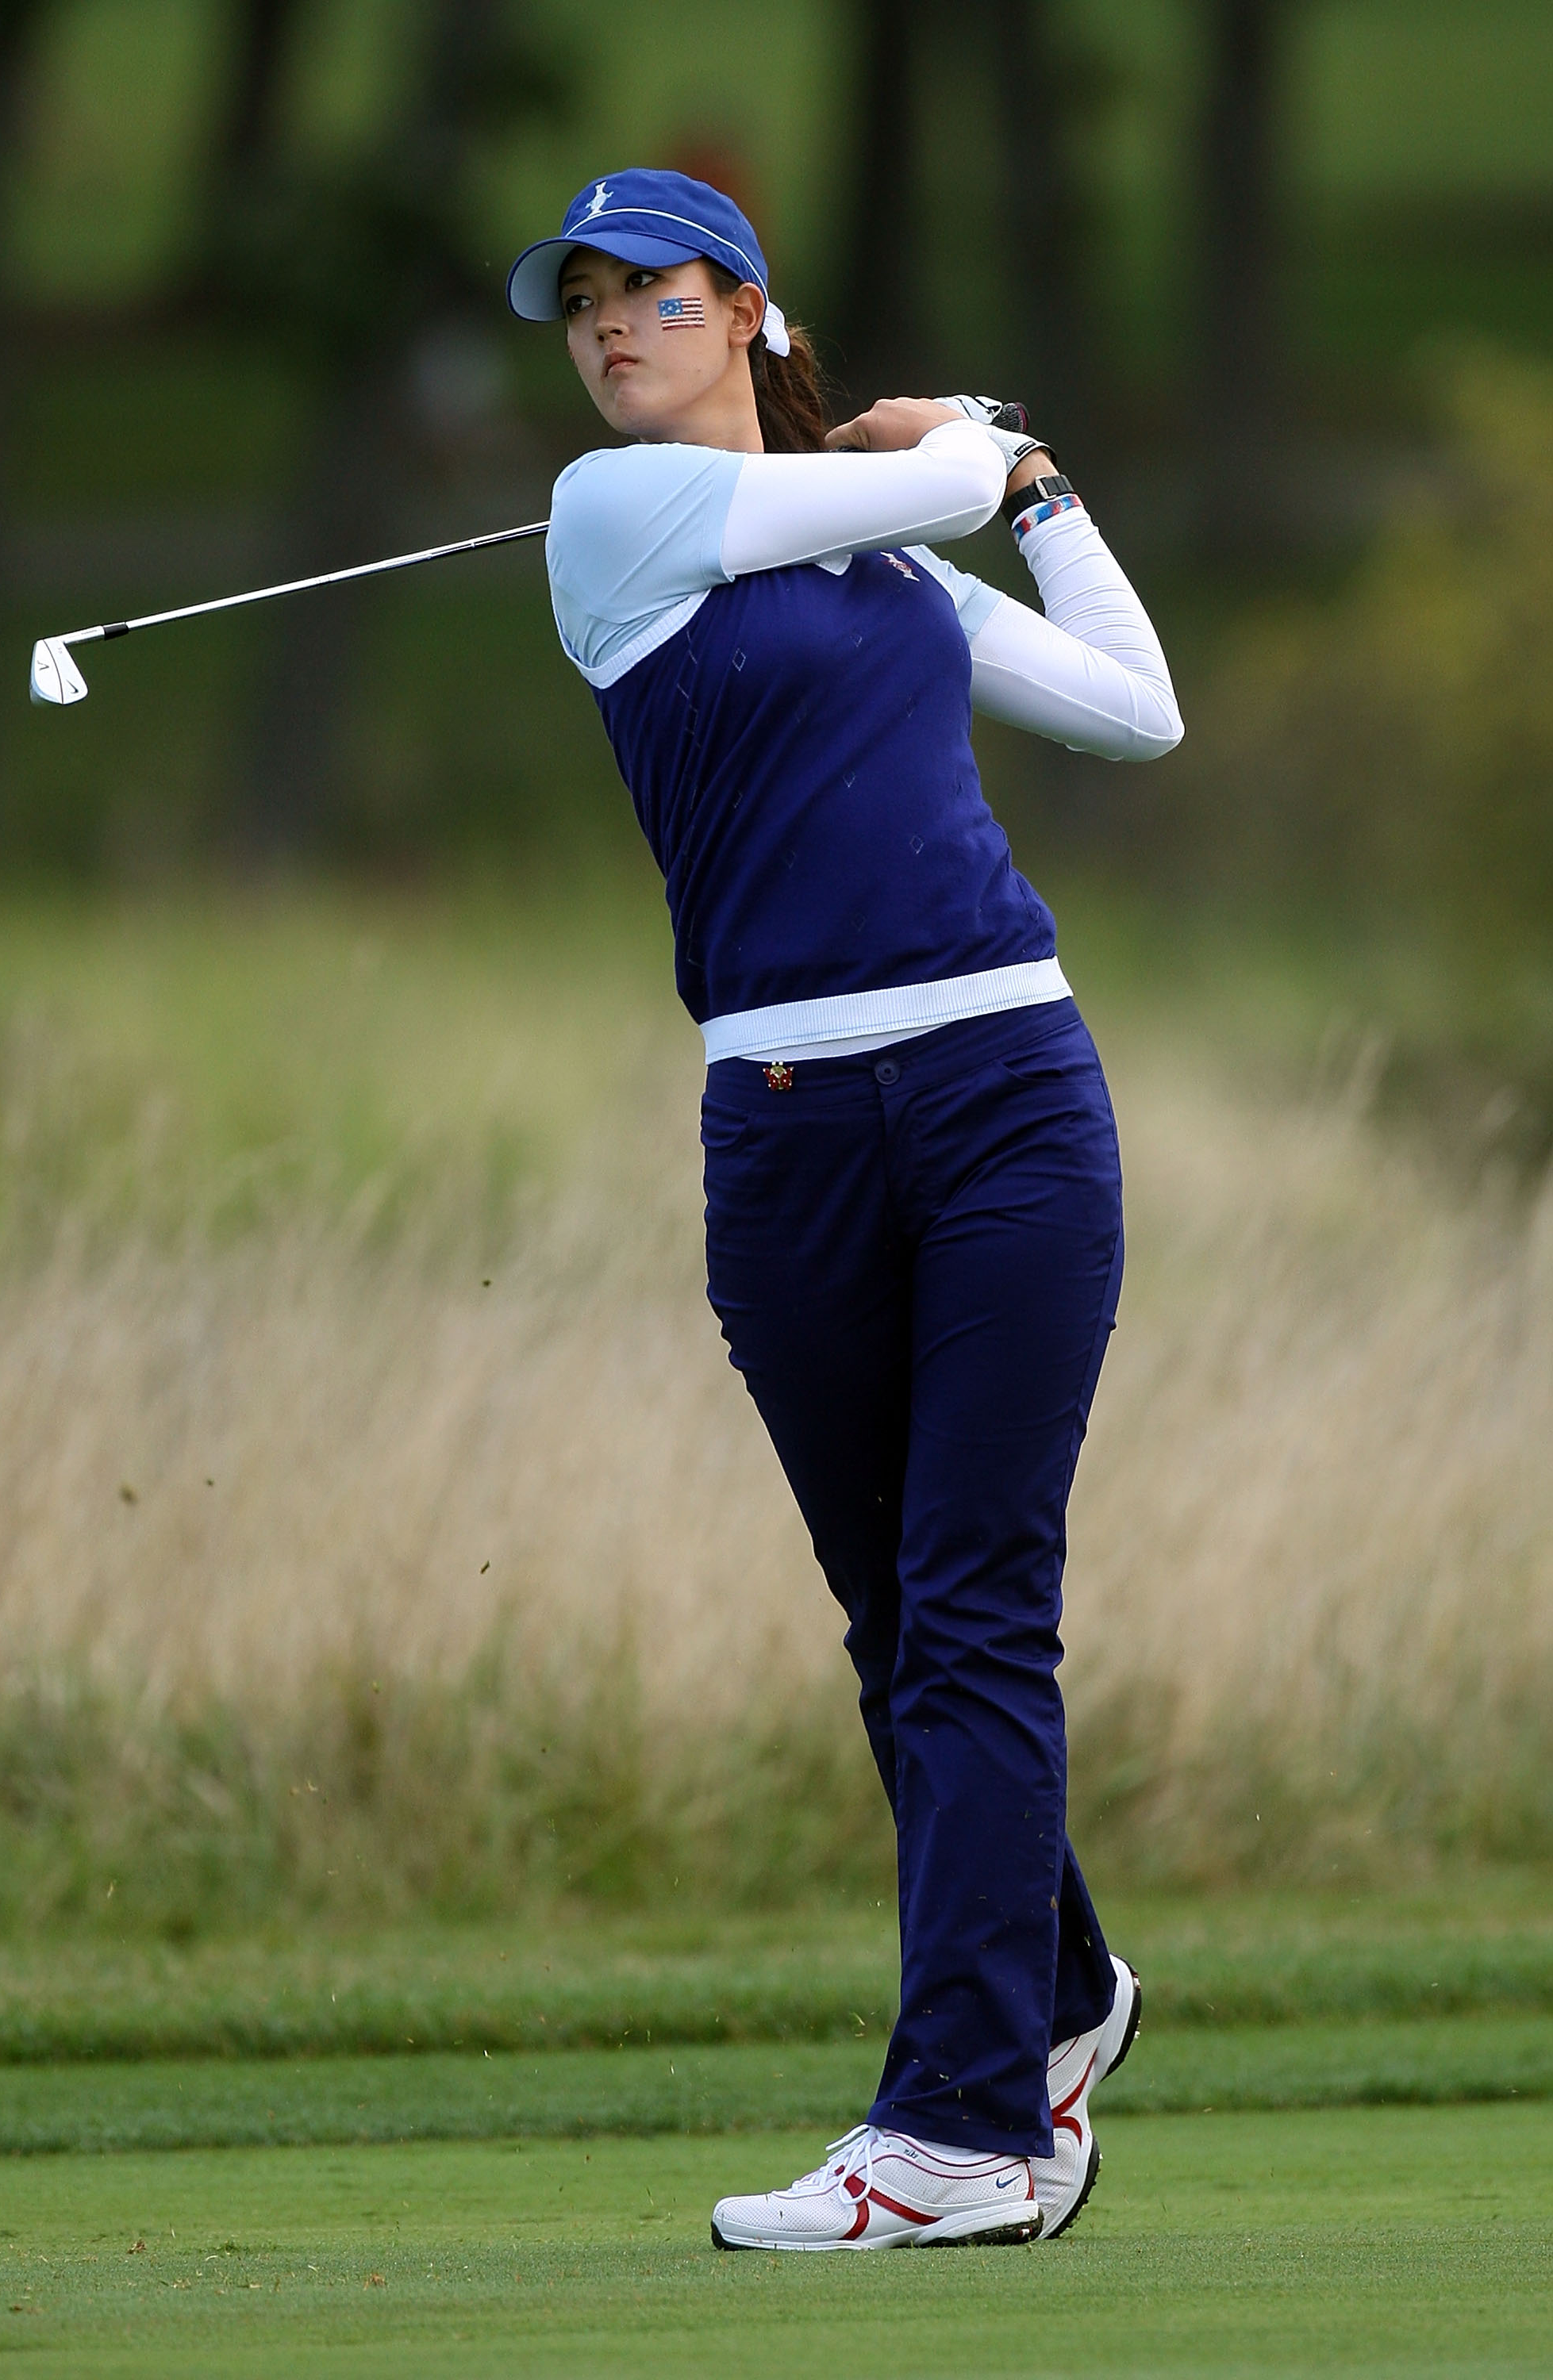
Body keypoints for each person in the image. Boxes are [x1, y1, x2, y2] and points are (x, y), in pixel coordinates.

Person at [506, 169, 1179, 2251]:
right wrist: (952, 445)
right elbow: (927, 478)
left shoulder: (893, 569)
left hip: (1004, 1092)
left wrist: (1034, 484)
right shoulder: (610, 518)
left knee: (973, 1607)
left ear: (751, 312)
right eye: (589, 304)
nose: (619, 331)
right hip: (787, 1119)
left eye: (661, 296)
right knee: (901, 1632)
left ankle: (968, 2124)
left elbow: (1138, 708)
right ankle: (1058, 1992)